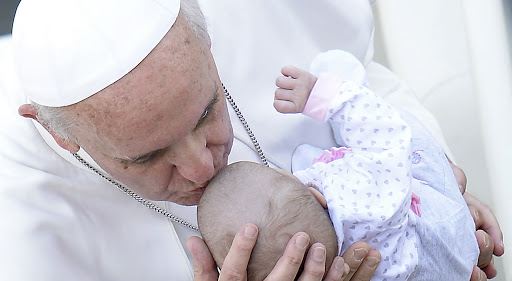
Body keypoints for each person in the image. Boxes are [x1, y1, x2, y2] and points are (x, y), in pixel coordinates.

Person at [0, 0, 502, 280]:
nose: (201, 167)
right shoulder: (17, 230)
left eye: (206, 112)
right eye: (149, 156)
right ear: (56, 134)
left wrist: (429, 184)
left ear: (207, 42)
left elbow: (364, 71)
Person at [197, 50, 479, 281]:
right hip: (448, 232)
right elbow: (386, 133)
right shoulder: (367, 198)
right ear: (317, 194)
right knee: (398, 137)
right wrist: (323, 96)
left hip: (444, 265)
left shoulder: (338, 267)